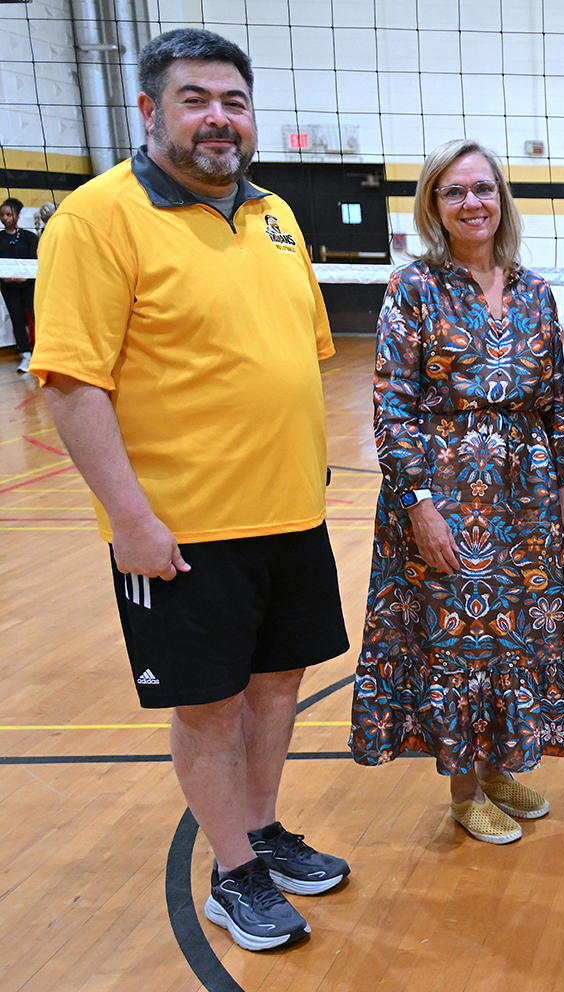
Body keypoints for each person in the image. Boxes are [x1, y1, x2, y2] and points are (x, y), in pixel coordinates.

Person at [33, 28, 350, 951]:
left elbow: (304, 357)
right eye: (196, 99)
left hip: (289, 513)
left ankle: (259, 830)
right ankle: (233, 873)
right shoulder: (99, 219)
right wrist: (130, 518)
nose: (219, 118)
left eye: (234, 101)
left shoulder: (276, 215)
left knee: (278, 682)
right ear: (149, 110)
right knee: (207, 704)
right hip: (180, 529)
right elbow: (73, 383)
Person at [348, 139, 564, 844]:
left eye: (482, 189)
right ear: (434, 205)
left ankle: (497, 769)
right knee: (456, 639)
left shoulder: (534, 289)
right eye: (454, 193)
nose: (472, 203)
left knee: (511, 637)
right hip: (444, 489)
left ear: (501, 199)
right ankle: (462, 788)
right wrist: (417, 504)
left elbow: (552, 401)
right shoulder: (413, 289)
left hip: (523, 491)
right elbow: (391, 405)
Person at [0, 196, 37, 372]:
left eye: (9, 214)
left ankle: (44, 353)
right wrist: (5, 277)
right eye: (2, 215)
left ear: (17, 215)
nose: (5, 218)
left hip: (29, 286)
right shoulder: (0, 238)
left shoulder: (29, 237)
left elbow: (36, 260)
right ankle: (26, 356)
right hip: (8, 287)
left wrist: (26, 277)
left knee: (38, 318)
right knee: (18, 320)